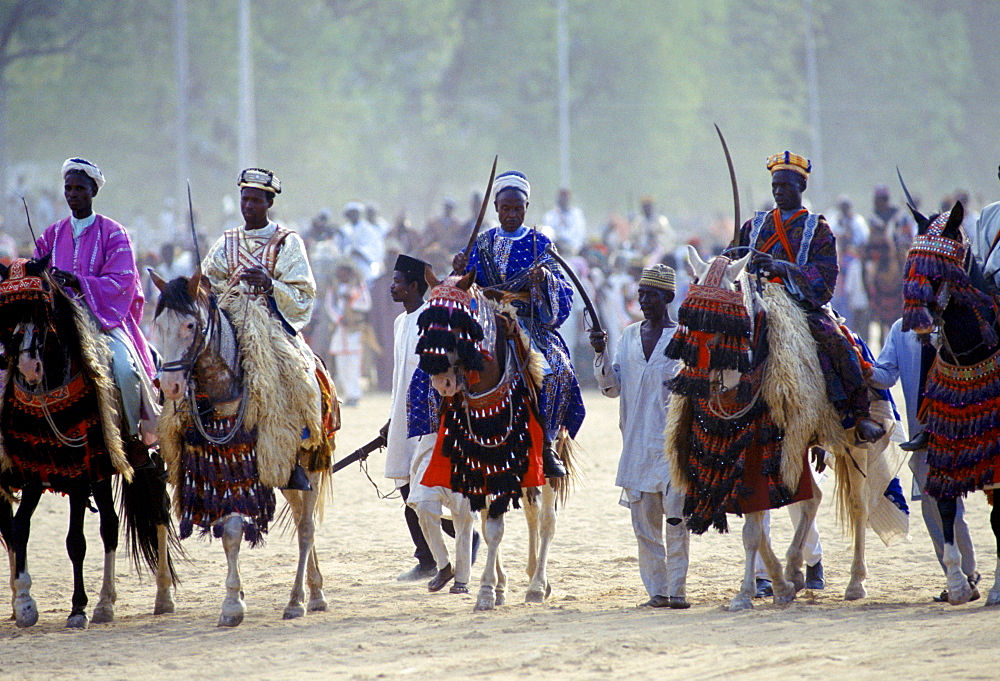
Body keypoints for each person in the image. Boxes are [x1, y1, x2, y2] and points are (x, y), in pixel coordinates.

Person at [201, 167, 334, 489]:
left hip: (273, 326)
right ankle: (183, 444)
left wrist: (271, 285)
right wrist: (210, 288)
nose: (248, 205)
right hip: (229, 322)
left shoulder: (287, 242)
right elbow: (208, 281)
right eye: (245, 199)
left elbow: (304, 292)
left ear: (268, 203)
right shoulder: (227, 241)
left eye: (256, 200)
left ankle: (301, 444)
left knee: (300, 375)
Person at [739, 152, 884, 444]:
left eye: (785, 186)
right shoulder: (753, 227)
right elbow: (735, 259)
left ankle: (858, 416)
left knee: (839, 344)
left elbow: (826, 279)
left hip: (800, 305)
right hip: (754, 300)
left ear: (801, 188)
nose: (779, 192)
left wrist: (782, 267)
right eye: (775, 186)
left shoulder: (818, 229)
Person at [452, 170, 586, 477]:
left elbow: (563, 289)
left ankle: (549, 443)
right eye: (505, 208)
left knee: (557, 370)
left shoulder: (540, 241)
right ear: (496, 208)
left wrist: (545, 279)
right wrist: (459, 270)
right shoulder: (483, 242)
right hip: (485, 318)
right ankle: (445, 435)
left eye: (518, 208)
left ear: (526, 207)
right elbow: (466, 284)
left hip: (528, 321)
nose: (511, 214)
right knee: (446, 362)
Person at [35, 158, 158, 462]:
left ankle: (130, 438)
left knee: (125, 372)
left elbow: (124, 283)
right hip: (57, 322)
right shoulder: (50, 235)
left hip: (104, 322)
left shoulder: (114, 233)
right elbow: (34, 274)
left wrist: (79, 282)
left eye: (80, 188)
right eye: (68, 188)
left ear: (93, 192)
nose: (73, 193)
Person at [589, 264, 690, 609]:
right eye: (642, 293)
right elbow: (612, 388)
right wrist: (600, 353)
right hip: (636, 447)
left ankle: (677, 591)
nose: (644, 300)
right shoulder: (629, 336)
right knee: (645, 530)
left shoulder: (684, 338)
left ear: (668, 298)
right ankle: (657, 593)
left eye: (652, 295)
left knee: (677, 522)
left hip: (673, 448)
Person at [868, 319, 979, 602]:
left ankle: (968, 572)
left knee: (952, 503)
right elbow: (885, 376)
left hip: (963, 424)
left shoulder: (955, 321)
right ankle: (958, 575)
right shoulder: (900, 329)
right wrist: (856, 362)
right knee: (933, 505)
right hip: (921, 434)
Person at [385, 254, 477, 589]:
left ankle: (456, 566)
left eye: (397, 282)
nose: (391, 287)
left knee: (457, 502)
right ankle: (434, 559)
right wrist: (391, 419)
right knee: (413, 494)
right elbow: (400, 377)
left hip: (442, 418)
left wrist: (456, 270)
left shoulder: (434, 317)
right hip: (408, 417)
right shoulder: (400, 323)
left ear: (414, 286)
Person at [325, 259, 372, 407]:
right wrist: (339, 318)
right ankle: (347, 394)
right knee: (341, 363)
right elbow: (329, 305)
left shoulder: (359, 286)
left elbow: (366, 304)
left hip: (354, 329)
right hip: (340, 329)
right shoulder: (333, 287)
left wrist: (351, 300)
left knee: (354, 363)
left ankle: (355, 395)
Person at [542, 188, 587, 256]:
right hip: (554, 247)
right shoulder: (550, 215)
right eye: (561, 197)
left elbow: (579, 233)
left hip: (571, 247)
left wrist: (575, 248)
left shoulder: (576, 214)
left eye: (565, 197)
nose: (563, 200)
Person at [635, 196, 675, 266]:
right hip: (641, 250)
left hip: (657, 250)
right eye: (644, 206)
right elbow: (633, 236)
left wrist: (655, 236)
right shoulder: (638, 221)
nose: (646, 209)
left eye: (648, 206)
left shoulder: (661, 220)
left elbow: (668, 235)